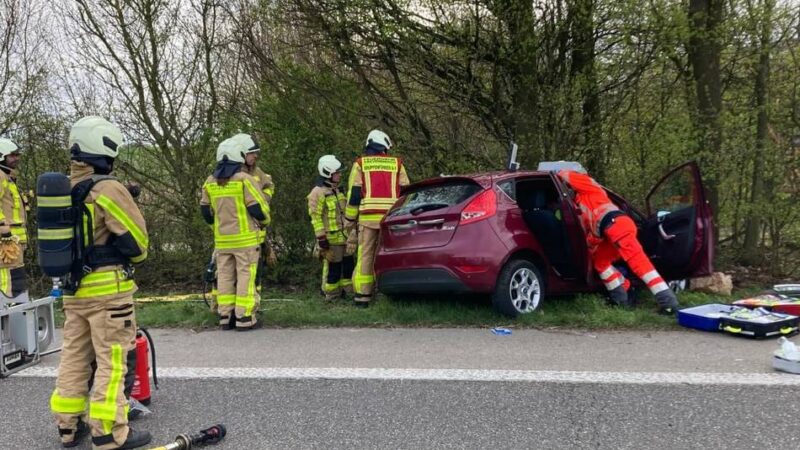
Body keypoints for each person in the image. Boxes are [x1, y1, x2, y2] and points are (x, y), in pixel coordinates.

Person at [50, 116, 151, 449]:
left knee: (74, 357)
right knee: (112, 360)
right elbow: (137, 246)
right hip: (109, 293)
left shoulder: (64, 188)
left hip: (73, 291)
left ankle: (68, 426)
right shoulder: (108, 188)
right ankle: (109, 432)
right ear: (105, 148)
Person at [558, 168, 680, 314]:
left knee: (640, 264)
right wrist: (590, 245)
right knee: (600, 263)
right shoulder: (579, 203)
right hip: (609, 232)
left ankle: (669, 304)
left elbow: (570, 177)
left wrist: (559, 170)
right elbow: (593, 229)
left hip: (618, 225)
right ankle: (622, 299)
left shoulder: (588, 187)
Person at [200, 133, 270, 330]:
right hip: (246, 241)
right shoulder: (243, 179)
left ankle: (225, 316)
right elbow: (257, 208)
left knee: (224, 277)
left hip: (222, 242)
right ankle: (244, 317)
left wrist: (216, 228)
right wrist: (264, 221)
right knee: (245, 278)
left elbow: (205, 211)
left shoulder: (210, 181)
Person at [345, 130, 409, 307]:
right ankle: (388, 294)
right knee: (389, 255)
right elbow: (405, 192)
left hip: (367, 219)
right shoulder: (397, 164)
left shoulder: (361, 164)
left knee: (365, 256)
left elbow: (354, 195)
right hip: (391, 220)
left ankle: (363, 297)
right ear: (385, 147)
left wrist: (349, 220)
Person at [307, 155, 354, 301]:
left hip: (345, 238)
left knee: (348, 267)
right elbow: (316, 218)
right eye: (337, 172)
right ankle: (331, 295)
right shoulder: (317, 193)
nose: (340, 174)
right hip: (331, 240)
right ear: (328, 173)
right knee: (333, 269)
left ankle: (348, 292)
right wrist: (322, 241)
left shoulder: (338, 190)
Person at [0, 138, 28, 298]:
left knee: (15, 276)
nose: (17, 158)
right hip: (7, 239)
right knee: (7, 277)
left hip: (14, 240)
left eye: (17, 155)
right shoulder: (1, 176)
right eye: (12, 155)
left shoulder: (7, 177)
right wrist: (3, 230)